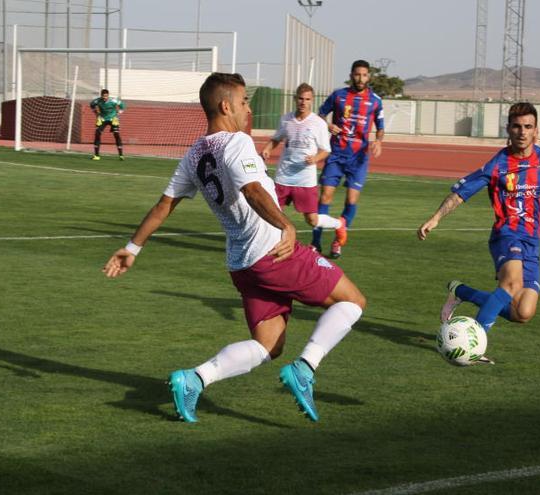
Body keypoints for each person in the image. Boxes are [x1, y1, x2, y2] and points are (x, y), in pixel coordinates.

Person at [103, 73, 366, 423]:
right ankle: (306, 368)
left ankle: (194, 378)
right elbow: (252, 190)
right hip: (273, 251)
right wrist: (285, 224)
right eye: (243, 102)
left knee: (268, 344)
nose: (248, 108)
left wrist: (131, 248)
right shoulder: (236, 142)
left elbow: (164, 205)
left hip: (242, 265)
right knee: (352, 301)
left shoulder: (195, 153)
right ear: (226, 106)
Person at [418, 102, 540, 345]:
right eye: (516, 126)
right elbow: (461, 193)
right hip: (506, 235)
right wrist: (435, 218)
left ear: (536, 130)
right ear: (508, 129)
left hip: (532, 241)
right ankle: (472, 345)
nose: (522, 132)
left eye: (528, 126)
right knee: (511, 284)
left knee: (523, 313)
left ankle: (461, 291)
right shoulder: (497, 165)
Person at [313, 59, 385, 259]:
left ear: (368, 76)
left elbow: (380, 128)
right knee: (325, 196)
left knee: (351, 200)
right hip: (336, 154)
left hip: (359, 159)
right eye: (357, 74)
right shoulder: (338, 95)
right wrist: (328, 125)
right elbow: (319, 114)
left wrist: (379, 141)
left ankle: (338, 241)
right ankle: (315, 242)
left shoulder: (376, 101)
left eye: (364, 75)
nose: (360, 78)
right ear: (351, 75)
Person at [261, 83, 346, 246]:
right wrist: (266, 149)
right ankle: (270, 244)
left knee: (312, 220)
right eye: (300, 98)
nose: (303, 102)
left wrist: (315, 158)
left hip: (305, 180)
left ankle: (339, 224)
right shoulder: (286, 119)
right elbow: (276, 139)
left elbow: (326, 150)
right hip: (283, 176)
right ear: (295, 99)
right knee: (270, 213)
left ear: (312, 101)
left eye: (307, 99)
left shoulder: (318, 123)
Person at [89, 89, 126, 160]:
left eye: (106, 96)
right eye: (103, 96)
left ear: (108, 95)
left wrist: (118, 114)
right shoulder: (97, 101)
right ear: (101, 96)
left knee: (116, 134)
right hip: (103, 119)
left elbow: (122, 105)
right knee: (97, 133)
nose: (104, 98)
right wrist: (96, 114)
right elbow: (91, 105)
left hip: (113, 119)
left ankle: (121, 155)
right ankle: (96, 156)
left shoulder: (113, 101)